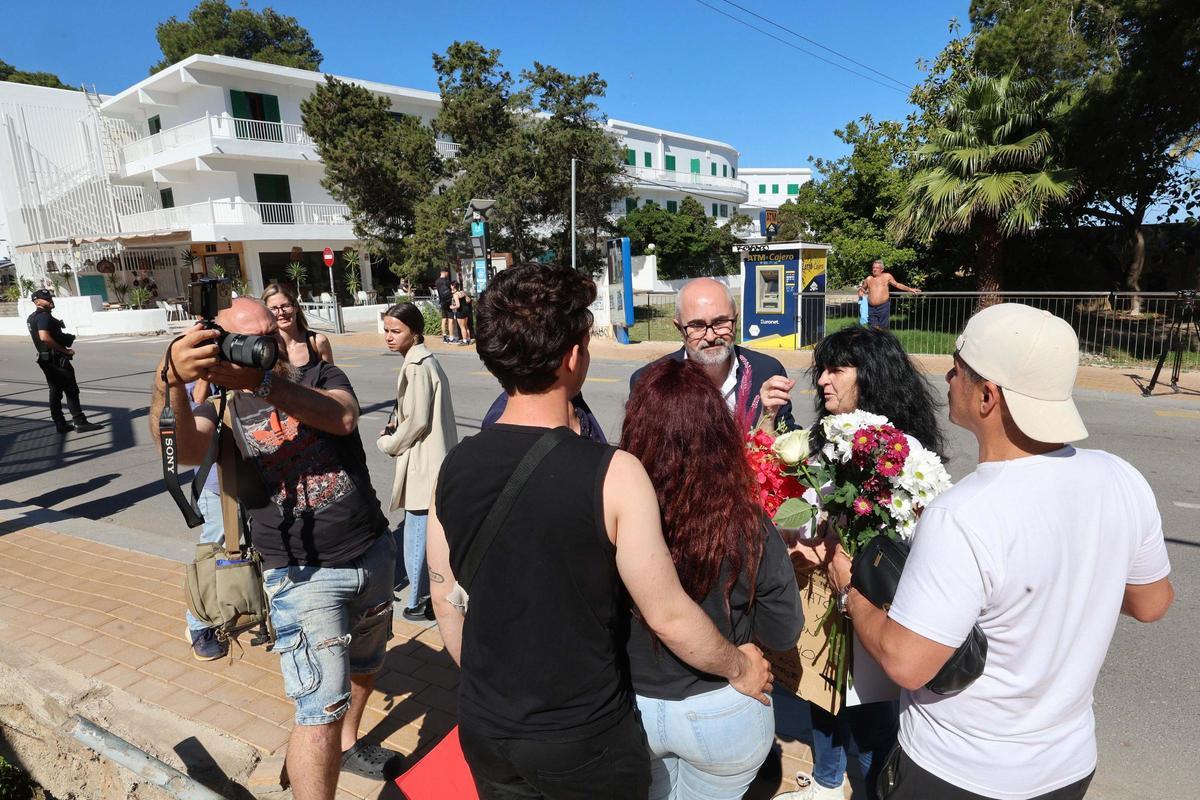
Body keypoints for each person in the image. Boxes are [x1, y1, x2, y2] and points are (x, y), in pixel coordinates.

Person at [425, 264, 774, 799]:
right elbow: (668, 613)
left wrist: (489, 686)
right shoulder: (613, 473)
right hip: (581, 736)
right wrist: (740, 666)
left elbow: (445, 594)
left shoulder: (455, 464)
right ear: (573, 356)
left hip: (485, 724)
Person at [826, 304, 1173, 800]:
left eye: (958, 369)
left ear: (987, 395)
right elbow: (1151, 601)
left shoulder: (964, 513)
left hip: (958, 771)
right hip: (1067, 764)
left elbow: (906, 663)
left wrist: (851, 591)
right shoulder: (1120, 476)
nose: (948, 377)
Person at [149, 297, 400, 799]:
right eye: (249, 340)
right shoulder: (220, 406)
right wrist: (169, 382)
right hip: (301, 575)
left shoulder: (320, 375)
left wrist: (262, 382)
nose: (269, 345)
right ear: (218, 344)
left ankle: (347, 747)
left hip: (370, 552)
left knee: (367, 669)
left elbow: (344, 418)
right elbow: (181, 450)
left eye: (274, 332)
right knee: (318, 711)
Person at [768, 325, 944, 800]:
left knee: (869, 722)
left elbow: (899, 540)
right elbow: (805, 498)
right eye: (821, 369)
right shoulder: (827, 436)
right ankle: (826, 782)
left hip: (871, 605)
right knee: (821, 695)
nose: (823, 380)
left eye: (836, 369)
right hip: (826, 602)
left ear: (870, 376)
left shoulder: (900, 452)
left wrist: (834, 551)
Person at [622, 358, 804, 800]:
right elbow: (783, 629)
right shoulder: (747, 522)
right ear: (718, 431)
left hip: (630, 704)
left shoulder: (609, 514)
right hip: (725, 705)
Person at [377, 302, 458, 622]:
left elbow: (417, 421)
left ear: (415, 332)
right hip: (433, 458)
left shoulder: (416, 365)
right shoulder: (423, 360)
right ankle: (423, 596)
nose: (389, 337)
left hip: (425, 462)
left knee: (416, 534)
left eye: (396, 331)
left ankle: (415, 601)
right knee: (422, 531)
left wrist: (388, 443)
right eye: (386, 330)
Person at [630, 277, 794, 433]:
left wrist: (768, 418)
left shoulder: (767, 371)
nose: (710, 337)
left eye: (720, 322)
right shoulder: (650, 382)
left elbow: (787, 443)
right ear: (679, 328)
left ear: (735, 320)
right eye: (697, 325)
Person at [26, 289, 103, 434]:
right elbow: (44, 337)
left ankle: (60, 423)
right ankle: (80, 422)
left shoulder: (32, 317)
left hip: (46, 359)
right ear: (37, 302)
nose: (49, 300)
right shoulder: (43, 317)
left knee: (55, 391)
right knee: (71, 390)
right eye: (45, 298)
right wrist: (65, 351)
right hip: (56, 359)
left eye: (49, 297)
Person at [263, 283, 334, 375]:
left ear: (295, 307)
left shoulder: (318, 342)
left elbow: (333, 381)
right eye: (273, 308)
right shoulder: (263, 347)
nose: (281, 312)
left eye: (285, 306)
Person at [857, 259, 920, 329]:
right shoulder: (869, 279)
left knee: (883, 328)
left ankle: (883, 340)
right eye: (873, 267)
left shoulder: (887, 276)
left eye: (877, 268)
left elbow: (897, 285)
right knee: (873, 329)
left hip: (883, 307)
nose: (874, 269)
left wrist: (910, 289)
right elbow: (862, 289)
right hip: (871, 308)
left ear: (882, 269)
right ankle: (875, 340)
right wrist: (860, 292)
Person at [433, 268, 456, 343]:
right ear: (445, 272)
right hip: (448, 302)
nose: (448, 274)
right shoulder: (446, 281)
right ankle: (451, 337)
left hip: (442, 302)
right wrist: (453, 291)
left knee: (443, 319)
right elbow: (451, 291)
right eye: (447, 273)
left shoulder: (437, 281)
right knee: (450, 319)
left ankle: (444, 336)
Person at [449, 281, 473, 345]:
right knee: (466, 326)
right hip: (466, 310)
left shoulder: (455, 295)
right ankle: (468, 340)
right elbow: (468, 300)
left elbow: (458, 305)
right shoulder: (462, 292)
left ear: (453, 286)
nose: (450, 287)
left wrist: (452, 307)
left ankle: (464, 341)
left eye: (451, 285)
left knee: (462, 327)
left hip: (460, 311)